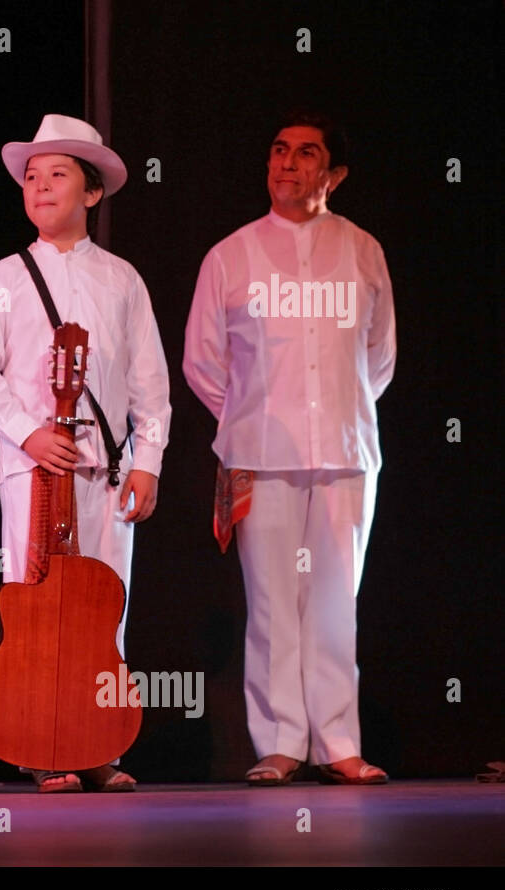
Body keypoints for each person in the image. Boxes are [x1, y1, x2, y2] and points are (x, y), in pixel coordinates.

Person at [182, 110, 396, 786]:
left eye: (306, 154)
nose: (287, 163)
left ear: (334, 174)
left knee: (337, 600)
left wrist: (336, 405)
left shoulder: (363, 250)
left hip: (344, 447)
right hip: (258, 454)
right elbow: (203, 362)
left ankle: (338, 742)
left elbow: (379, 354)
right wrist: (252, 417)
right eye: (279, 150)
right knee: (272, 601)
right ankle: (278, 743)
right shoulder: (231, 254)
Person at [0, 115, 171, 793]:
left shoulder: (123, 279)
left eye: (58, 176)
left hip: (105, 469)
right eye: (32, 177)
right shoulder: (5, 276)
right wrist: (26, 430)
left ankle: (98, 740)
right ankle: (41, 744)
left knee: (104, 605)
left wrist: (147, 461)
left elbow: (150, 381)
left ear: (91, 192)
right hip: (34, 466)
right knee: (35, 605)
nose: (41, 187)